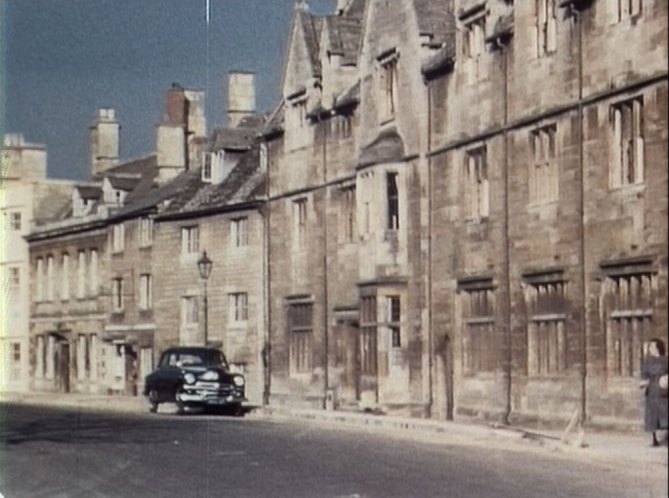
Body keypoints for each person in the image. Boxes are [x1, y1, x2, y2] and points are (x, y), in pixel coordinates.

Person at [640, 338, 669, 447]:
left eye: (652, 347)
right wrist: (643, 382)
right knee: (652, 415)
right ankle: (654, 438)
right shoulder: (647, 361)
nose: (650, 349)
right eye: (650, 347)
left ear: (658, 348)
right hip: (652, 390)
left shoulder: (665, 360)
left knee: (665, 413)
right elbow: (644, 375)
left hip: (663, 390)